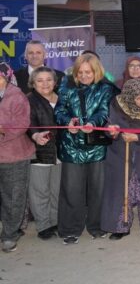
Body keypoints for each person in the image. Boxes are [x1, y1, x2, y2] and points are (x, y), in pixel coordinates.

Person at [55, 53, 118, 244]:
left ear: (96, 71)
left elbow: (104, 111)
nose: (84, 76)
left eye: (88, 72)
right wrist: (68, 122)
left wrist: (92, 122)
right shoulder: (66, 85)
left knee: (97, 190)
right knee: (71, 190)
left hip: (96, 146)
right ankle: (70, 229)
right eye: (80, 72)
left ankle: (96, 226)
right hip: (71, 146)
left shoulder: (106, 88)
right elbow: (59, 110)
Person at [102, 79, 140, 239]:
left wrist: (138, 136)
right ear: (129, 96)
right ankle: (121, 227)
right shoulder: (116, 105)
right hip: (120, 153)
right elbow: (109, 125)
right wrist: (112, 132)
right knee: (121, 191)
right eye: (139, 97)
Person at [0, 63, 35, 253]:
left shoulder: (17, 96)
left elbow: (22, 124)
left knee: (13, 197)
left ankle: (9, 235)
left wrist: (2, 132)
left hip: (14, 156)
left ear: (7, 78)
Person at [26, 67, 62, 241]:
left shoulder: (62, 98)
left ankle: (55, 221)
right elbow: (28, 121)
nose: (45, 83)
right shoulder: (29, 100)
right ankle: (43, 225)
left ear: (55, 82)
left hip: (61, 152)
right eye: (39, 80)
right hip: (39, 152)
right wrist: (35, 134)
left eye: (49, 79)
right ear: (33, 83)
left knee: (56, 190)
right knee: (40, 191)